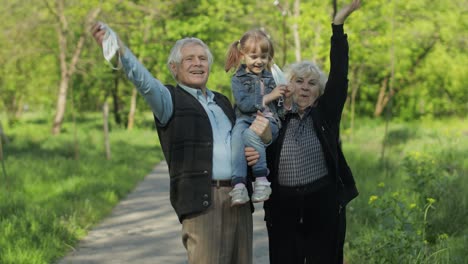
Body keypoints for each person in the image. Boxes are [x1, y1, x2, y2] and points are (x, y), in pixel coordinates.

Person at [91, 23, 272, 264]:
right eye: (189, 59)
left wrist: (255, 150)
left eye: (202, 59)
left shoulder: (223, 101)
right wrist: (120, 50)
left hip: (238, 199)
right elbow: (144, 82)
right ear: (174, 68)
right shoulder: (169, 100)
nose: (198, 63)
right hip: (202, 202)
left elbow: (245, 138)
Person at [246, 0, 361, 263]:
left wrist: (338, 25)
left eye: (312, 84)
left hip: (322, 205)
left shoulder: (325, 115)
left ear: (319, 91)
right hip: (283, 209)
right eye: (299, 82)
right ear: (289, 86)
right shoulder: (276, 117)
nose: (305, 88)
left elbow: (340, 73)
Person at [224, 29, 288, 206]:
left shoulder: (273, 77)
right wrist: (269, 96)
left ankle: (261, 180)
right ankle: (239, 184)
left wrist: (284, 97)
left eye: (264, 56)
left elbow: (281, 108)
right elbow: (244, 105)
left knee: (249, 135)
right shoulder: (237, 79)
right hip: (245, 119)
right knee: (236, 136)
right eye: (254, 56)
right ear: (243, 56)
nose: (259, 61)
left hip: (269, 120)